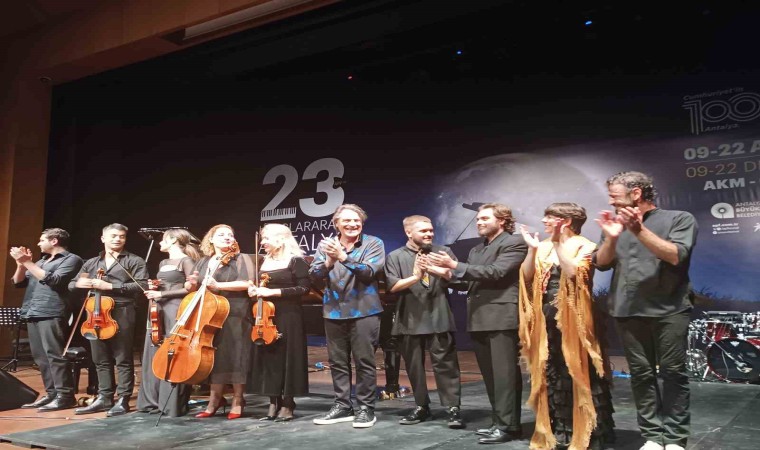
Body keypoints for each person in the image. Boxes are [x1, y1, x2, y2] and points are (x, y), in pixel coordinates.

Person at [593, 171, 697, 450]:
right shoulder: (616, 224)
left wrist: (638, 230)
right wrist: (611, 238)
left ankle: (674, 439)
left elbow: (675, 255)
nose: (611, 202)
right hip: (627, 310)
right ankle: (652, 435)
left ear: (636, 193)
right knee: (641, 375)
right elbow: (601, 263)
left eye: (615, 196)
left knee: (673, 373)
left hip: (669, 309)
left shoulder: (679, 218)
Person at [427, 202, 527, 444]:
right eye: (478, 219)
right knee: (491, 376)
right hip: (479, 317)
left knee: (504, 376)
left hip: (501, 317)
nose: (479, 222)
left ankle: (508, 426)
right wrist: (447, 275)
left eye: (484, 218)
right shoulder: (476, 250)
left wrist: (454, 265)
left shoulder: (514, 242)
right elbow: (472, 281)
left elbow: (496, 272)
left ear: (501, 221)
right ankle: (499, 421)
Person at [518, 203, 614, 450]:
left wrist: (558, 243)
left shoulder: (585, 246)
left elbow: (573, 274)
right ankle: (561, 429)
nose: (544, 220)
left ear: (566, 221)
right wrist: (532, 250)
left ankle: (588, 431)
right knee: (554, 371)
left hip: (576, 319)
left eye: (550, 217)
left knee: (578, 369)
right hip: (547, 318)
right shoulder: (543, 246)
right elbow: (527, 277)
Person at [384, 215, 464, 428]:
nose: (429, 234)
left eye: (430, 230)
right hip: (409, 317)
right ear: (409, 232)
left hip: (439, 315)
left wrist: (438, 270)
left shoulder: (443, 252)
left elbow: (459, 278)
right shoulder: (395, 256)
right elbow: (392, 286)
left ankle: (453, 408)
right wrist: (416, 276)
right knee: (414, 366)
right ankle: (421, 406)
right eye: (423, 231)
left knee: (446, 365)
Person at [309, 204, 385, 428]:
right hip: (333, 311)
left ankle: (365, 408)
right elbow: (314, 276)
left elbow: (369, 273)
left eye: (356, 221)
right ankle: (343, 406)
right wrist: (329, 261)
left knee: (364, 361)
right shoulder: (326, 245)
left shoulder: (373, 243)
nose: (352, 224)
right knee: (337, 362)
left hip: (364, 310)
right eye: (347, 221)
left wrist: (342, 256)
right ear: (336, 224)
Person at [68, 223, 148, 416]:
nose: (118, 239)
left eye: (122, 236)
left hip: (122, 311)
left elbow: (142, 285)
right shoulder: (92, 263)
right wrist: (80, 283)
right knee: (100, 359)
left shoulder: (134, 261)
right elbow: (72, 284)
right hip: (96, 313)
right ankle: (104, 397)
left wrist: (110, 286)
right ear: (103, 238)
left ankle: (123, 399)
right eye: (113, 236)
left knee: (122, 358)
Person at [10, 228, 83, 411]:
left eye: (42, 240)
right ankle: (52, 394)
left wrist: (27, 262)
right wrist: (21, 265)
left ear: (54, 241)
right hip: (32, 311)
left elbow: (55, 280)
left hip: (52, 311)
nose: (38, 243)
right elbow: (18, 282)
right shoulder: (41, 261)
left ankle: (65, 396)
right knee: (40, 357)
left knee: (54, 355)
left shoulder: (71, 259)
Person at [190, 224, 254, 420]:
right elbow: (194, 284)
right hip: (209, 314)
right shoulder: (203, 262)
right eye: (222, 234)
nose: (227, 237)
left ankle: (238, 400)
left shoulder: (241, 258)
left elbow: (248, 282)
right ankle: (214, 400)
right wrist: (190, 283)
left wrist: (219, 285)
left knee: (236, 356)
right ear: (211, 239)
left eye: (230, 235)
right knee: (215, 357)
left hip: (235, 312)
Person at [246, 224, 310, 422]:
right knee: (269, 357)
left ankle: (288, 402)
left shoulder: (296, 260)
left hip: (289, 315)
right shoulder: (263, 261)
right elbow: (259, 287)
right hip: (265, 315)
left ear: (281, 239)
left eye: (266, 238)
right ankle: (273, 400)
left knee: (289, 357)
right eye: (262, 238)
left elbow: (304, 289)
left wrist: (272, 292)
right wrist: (254, 291)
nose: (262, 242)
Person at [135, 229, 201, 416]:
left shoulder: (186, 261)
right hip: (158, 308)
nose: (160, 243)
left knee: (172, 350)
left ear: (172, 240)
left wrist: (162, 293)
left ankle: (171, 403)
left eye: (163, 239)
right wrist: (154, 288)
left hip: (175, 308)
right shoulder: (163, 262)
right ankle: (152, 400)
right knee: (154, 349)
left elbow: (191, 289)